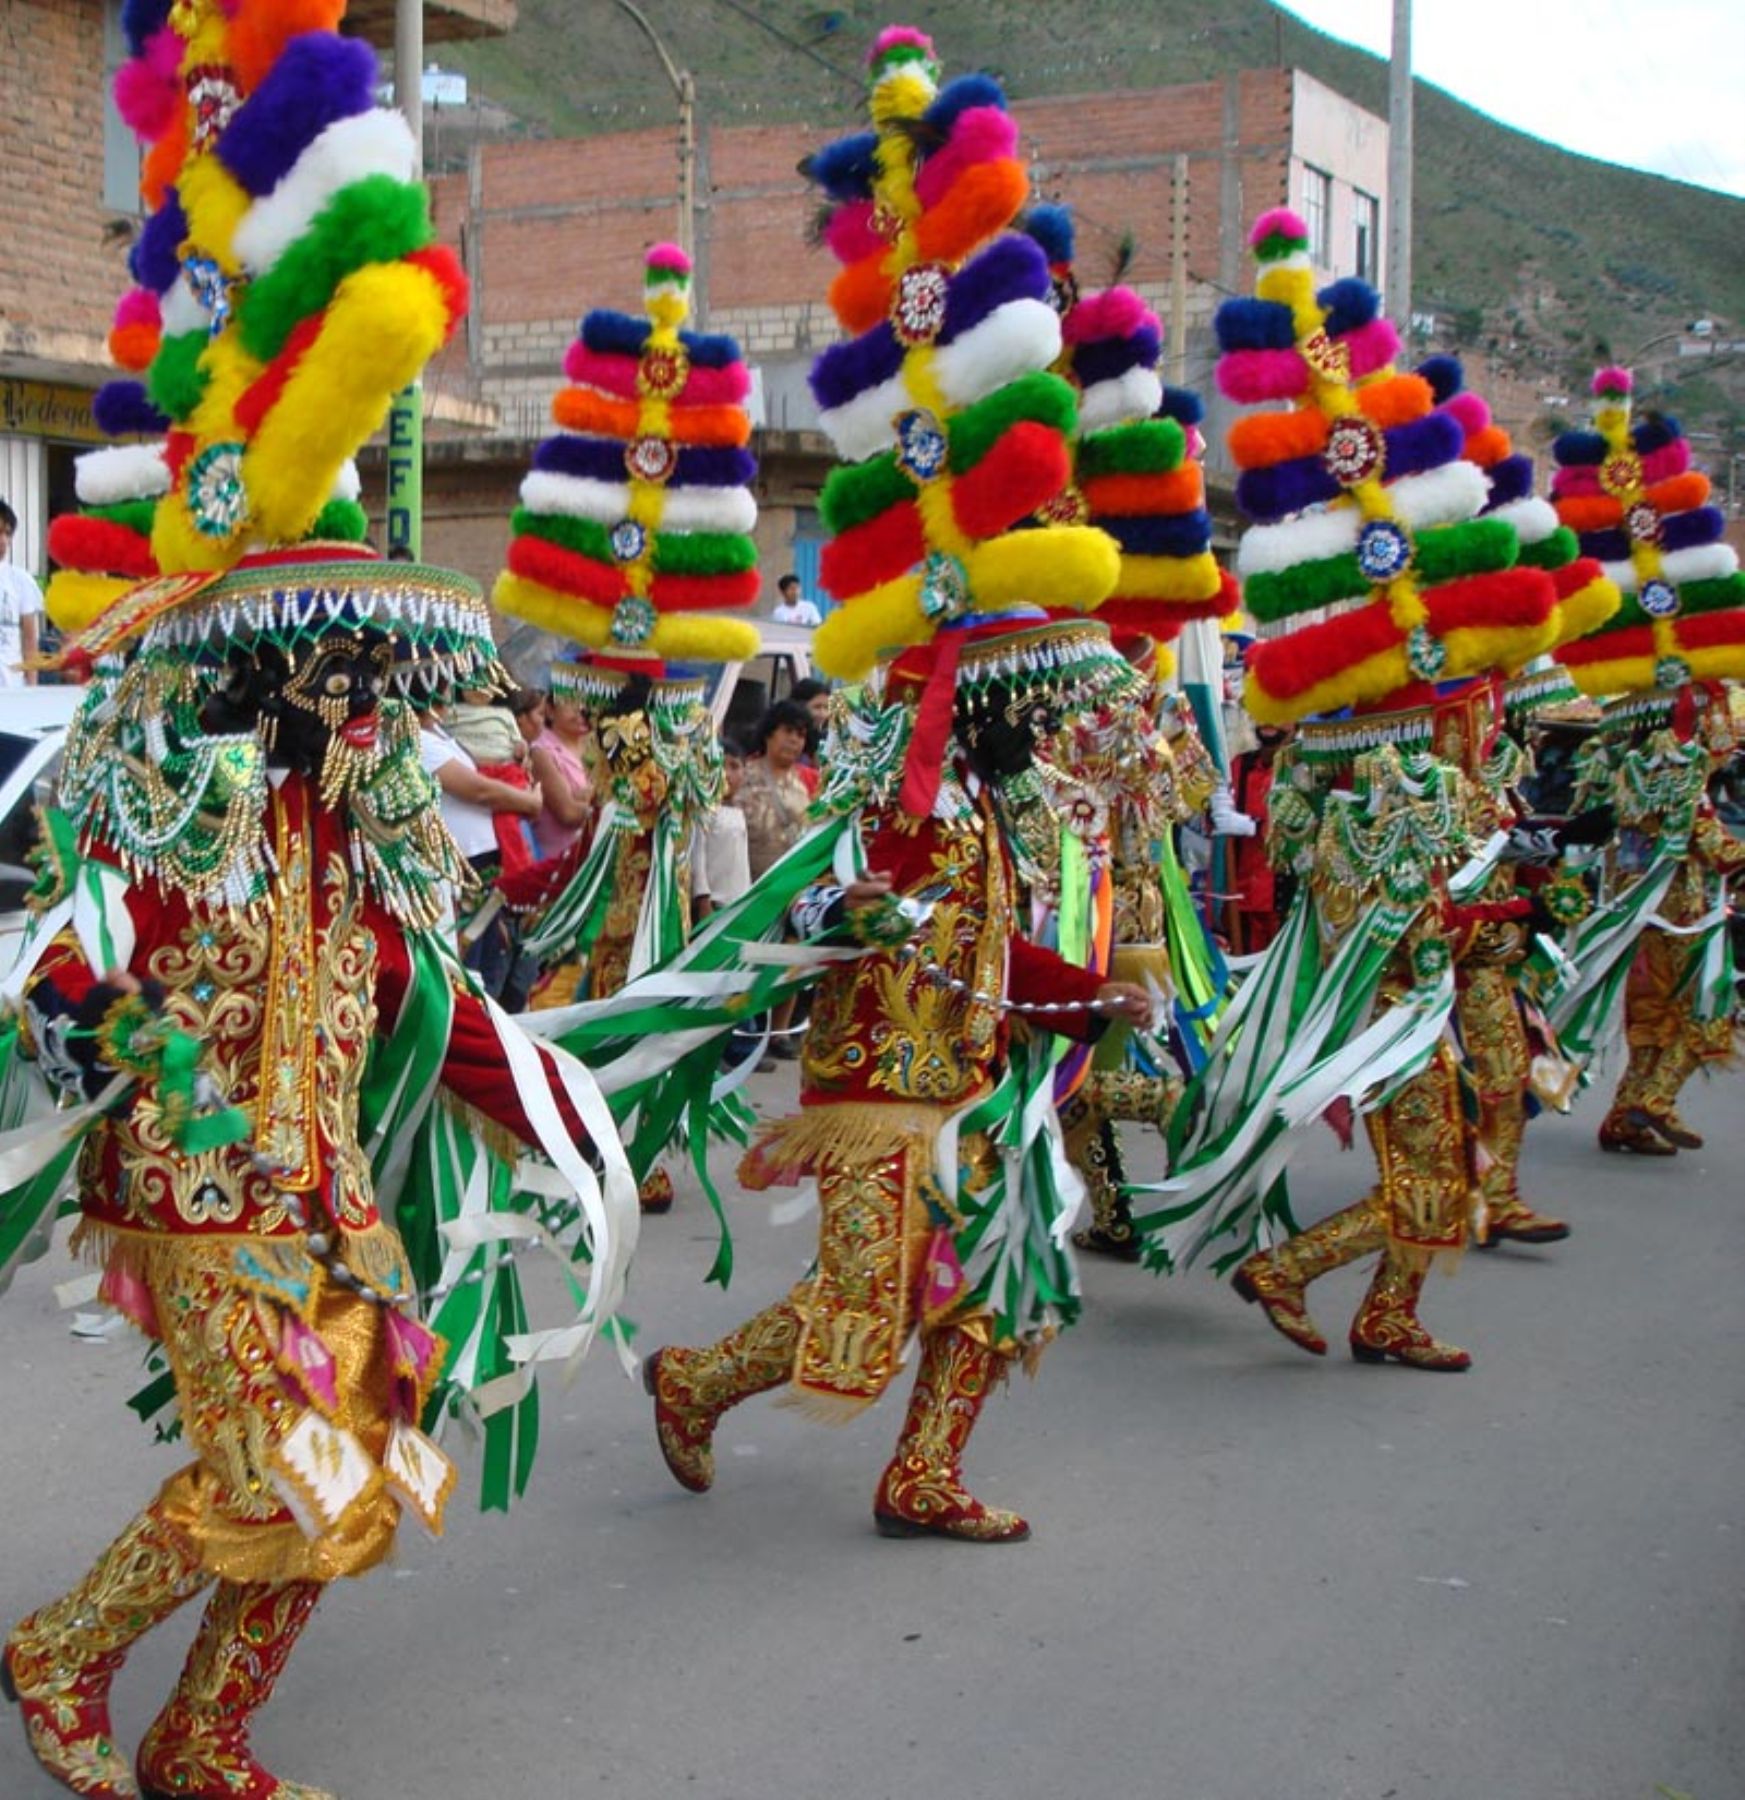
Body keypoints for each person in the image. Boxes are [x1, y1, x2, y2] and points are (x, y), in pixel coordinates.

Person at [416, 702, 541, 999]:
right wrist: (529, 802)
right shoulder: (418, 739)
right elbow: (478, 790)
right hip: (461, 870)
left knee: (493, 974)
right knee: (471, 978)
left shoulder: (443, 734)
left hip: (486, 870)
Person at [739, 699, 815, 1058]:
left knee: (790, 955)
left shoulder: (808, 781)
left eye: (801, 735)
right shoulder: (745, 774)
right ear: (770, 732)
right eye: (788, 732)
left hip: (793, 881)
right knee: (752, 958)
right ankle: (747, 1029)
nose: (794, 741)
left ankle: (780, 1031)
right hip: (751, 880)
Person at [528, 681, 594, 861]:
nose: (581, 709)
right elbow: (568, 813)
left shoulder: (595, 745)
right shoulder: (541, 751)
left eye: (587, 702)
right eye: (571, 702)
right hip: (562, 860)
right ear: (549, 710)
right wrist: (604, 808)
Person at [0, 499, 43, 687]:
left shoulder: (20, 580)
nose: (3, 540)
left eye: (7, 533)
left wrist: (31, 688)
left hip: (12, 688)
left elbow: (30, 642)